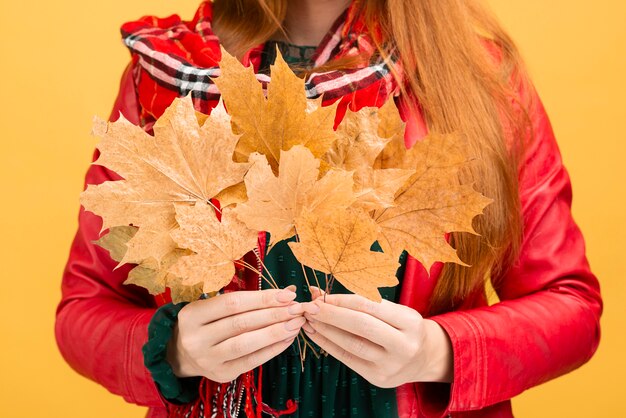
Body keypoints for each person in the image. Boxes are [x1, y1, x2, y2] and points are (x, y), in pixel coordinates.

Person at [55, 0, 603, 417]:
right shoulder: (164, 76)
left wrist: (437, 353)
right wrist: (171, 350)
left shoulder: (481, 79)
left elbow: (571, 307)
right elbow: (83, 310)